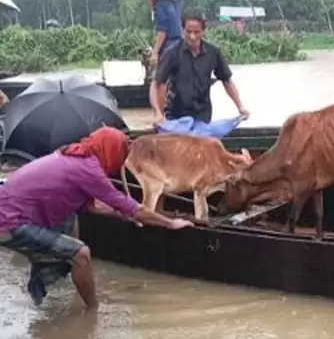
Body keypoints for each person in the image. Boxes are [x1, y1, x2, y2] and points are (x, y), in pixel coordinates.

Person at [0, 127, 193, 308]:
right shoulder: (87, 170)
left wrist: (122, 212)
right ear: (111, 152)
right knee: (81, 254)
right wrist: (169, 223)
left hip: (14, 209)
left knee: (71, 220)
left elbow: (92, 206)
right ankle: (92, 310)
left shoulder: (72, 154)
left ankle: (66, 280)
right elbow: (133, 208)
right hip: (9, 221)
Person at [150, 9, 250, 126]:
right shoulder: (172, 53)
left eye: (196, 32)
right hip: (176, 115)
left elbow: (227, 81)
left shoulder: (213, 53)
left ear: (203, 31)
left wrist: (240, 106)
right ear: (183, 31)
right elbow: (156, 84)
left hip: (203, 115)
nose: (192, 36)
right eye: (188, 32)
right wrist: (158, 113)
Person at [146, 0, 184, 69]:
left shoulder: (161, 6)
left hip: (168, 48)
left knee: (162, 79)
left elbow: (162, 32)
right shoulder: (176, 2)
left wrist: (155, 52)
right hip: (179, 46)